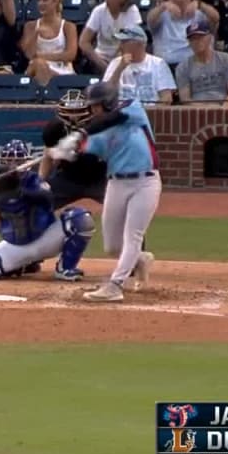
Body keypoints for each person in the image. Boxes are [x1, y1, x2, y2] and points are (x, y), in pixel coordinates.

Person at [48, 82, 159, 302]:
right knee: (112, 246)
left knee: (133, 235)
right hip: (116, 184)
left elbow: (111, 119)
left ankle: (115, 285)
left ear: (108, 102)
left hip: (145, 182)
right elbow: (85, 151)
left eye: (97, 105)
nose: (94, 110)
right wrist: (65, 150)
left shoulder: (132, 109)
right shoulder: (100, 134)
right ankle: (140, 259)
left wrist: (80, 133)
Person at [0, 140, 95, 282]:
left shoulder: (35, 181)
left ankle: (65, 268)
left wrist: (17, 190)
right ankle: (25, 264)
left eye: (18, 161)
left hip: (46, 240)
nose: (14, 165)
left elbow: (45, 196)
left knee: (80, 218)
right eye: (9, 160)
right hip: (16, 245)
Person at [103, 25, 176, 105]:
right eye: (121, 42)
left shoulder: (158, 64)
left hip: (151, 113)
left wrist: (150, 115)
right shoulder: (115, 63)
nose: (121, 46)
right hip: (123, 114)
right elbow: (106, 93)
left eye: (124, 42)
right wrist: (120, 69)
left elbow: (166, 98)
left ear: (140, 44)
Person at [21, 0, 78, 85]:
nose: (41, 3)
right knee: (39, 64)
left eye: (45, 0)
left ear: (55, 2)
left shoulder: (68, 26)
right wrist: (36, 33)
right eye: (39, 0)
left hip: (62, 70)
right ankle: (47, 96)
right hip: (36, 68)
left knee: (39, 62)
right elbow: (29, 54)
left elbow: (70, 55)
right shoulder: (30, 26)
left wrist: (40, 55)